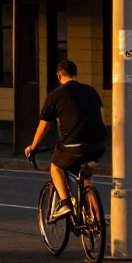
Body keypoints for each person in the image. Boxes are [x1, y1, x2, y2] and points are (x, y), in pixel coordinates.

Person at [25, 59, 106, 218]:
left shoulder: (55, 95)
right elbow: (102, 116)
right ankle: (97, 220)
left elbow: (44, 127)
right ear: (75, 74)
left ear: (58, 75)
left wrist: (33, 147)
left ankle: (65, 203)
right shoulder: (91, 91)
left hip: (73, 146)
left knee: (56, 165)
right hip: (98, 145)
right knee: (86, 178)